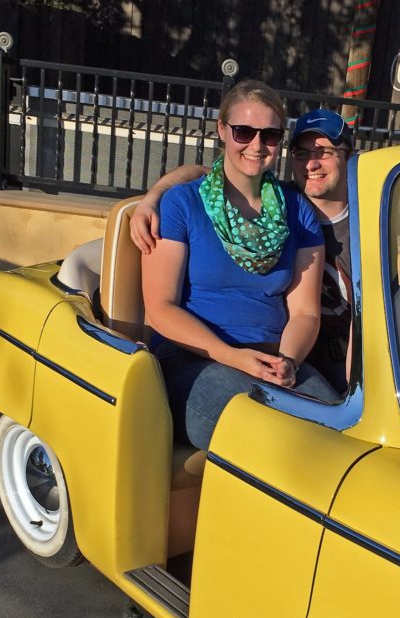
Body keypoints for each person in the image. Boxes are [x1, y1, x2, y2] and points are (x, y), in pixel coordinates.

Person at [141, 80, 338, 451]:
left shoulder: (297, 213)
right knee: (259, 437)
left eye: (270, 135)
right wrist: (232, 356)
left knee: (338, 431)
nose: (256, 145)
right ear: (222, 129)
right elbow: (160, 308)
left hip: (273, 357)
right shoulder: (182, 204)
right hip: (196, 355)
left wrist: (288, 361)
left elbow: (306, 312)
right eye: (244, 132)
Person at [131, 108, 353, 393]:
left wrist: (290, 363)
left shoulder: (353, 225)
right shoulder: (284, 202)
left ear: (349, 156)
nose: (311, 164)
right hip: (217, 355)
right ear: (222, 129)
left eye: (325, 152)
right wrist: (152, 197)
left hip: (318, 357)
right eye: (301, 153)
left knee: (328, 421)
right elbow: (201, 174)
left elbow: (358, 319)